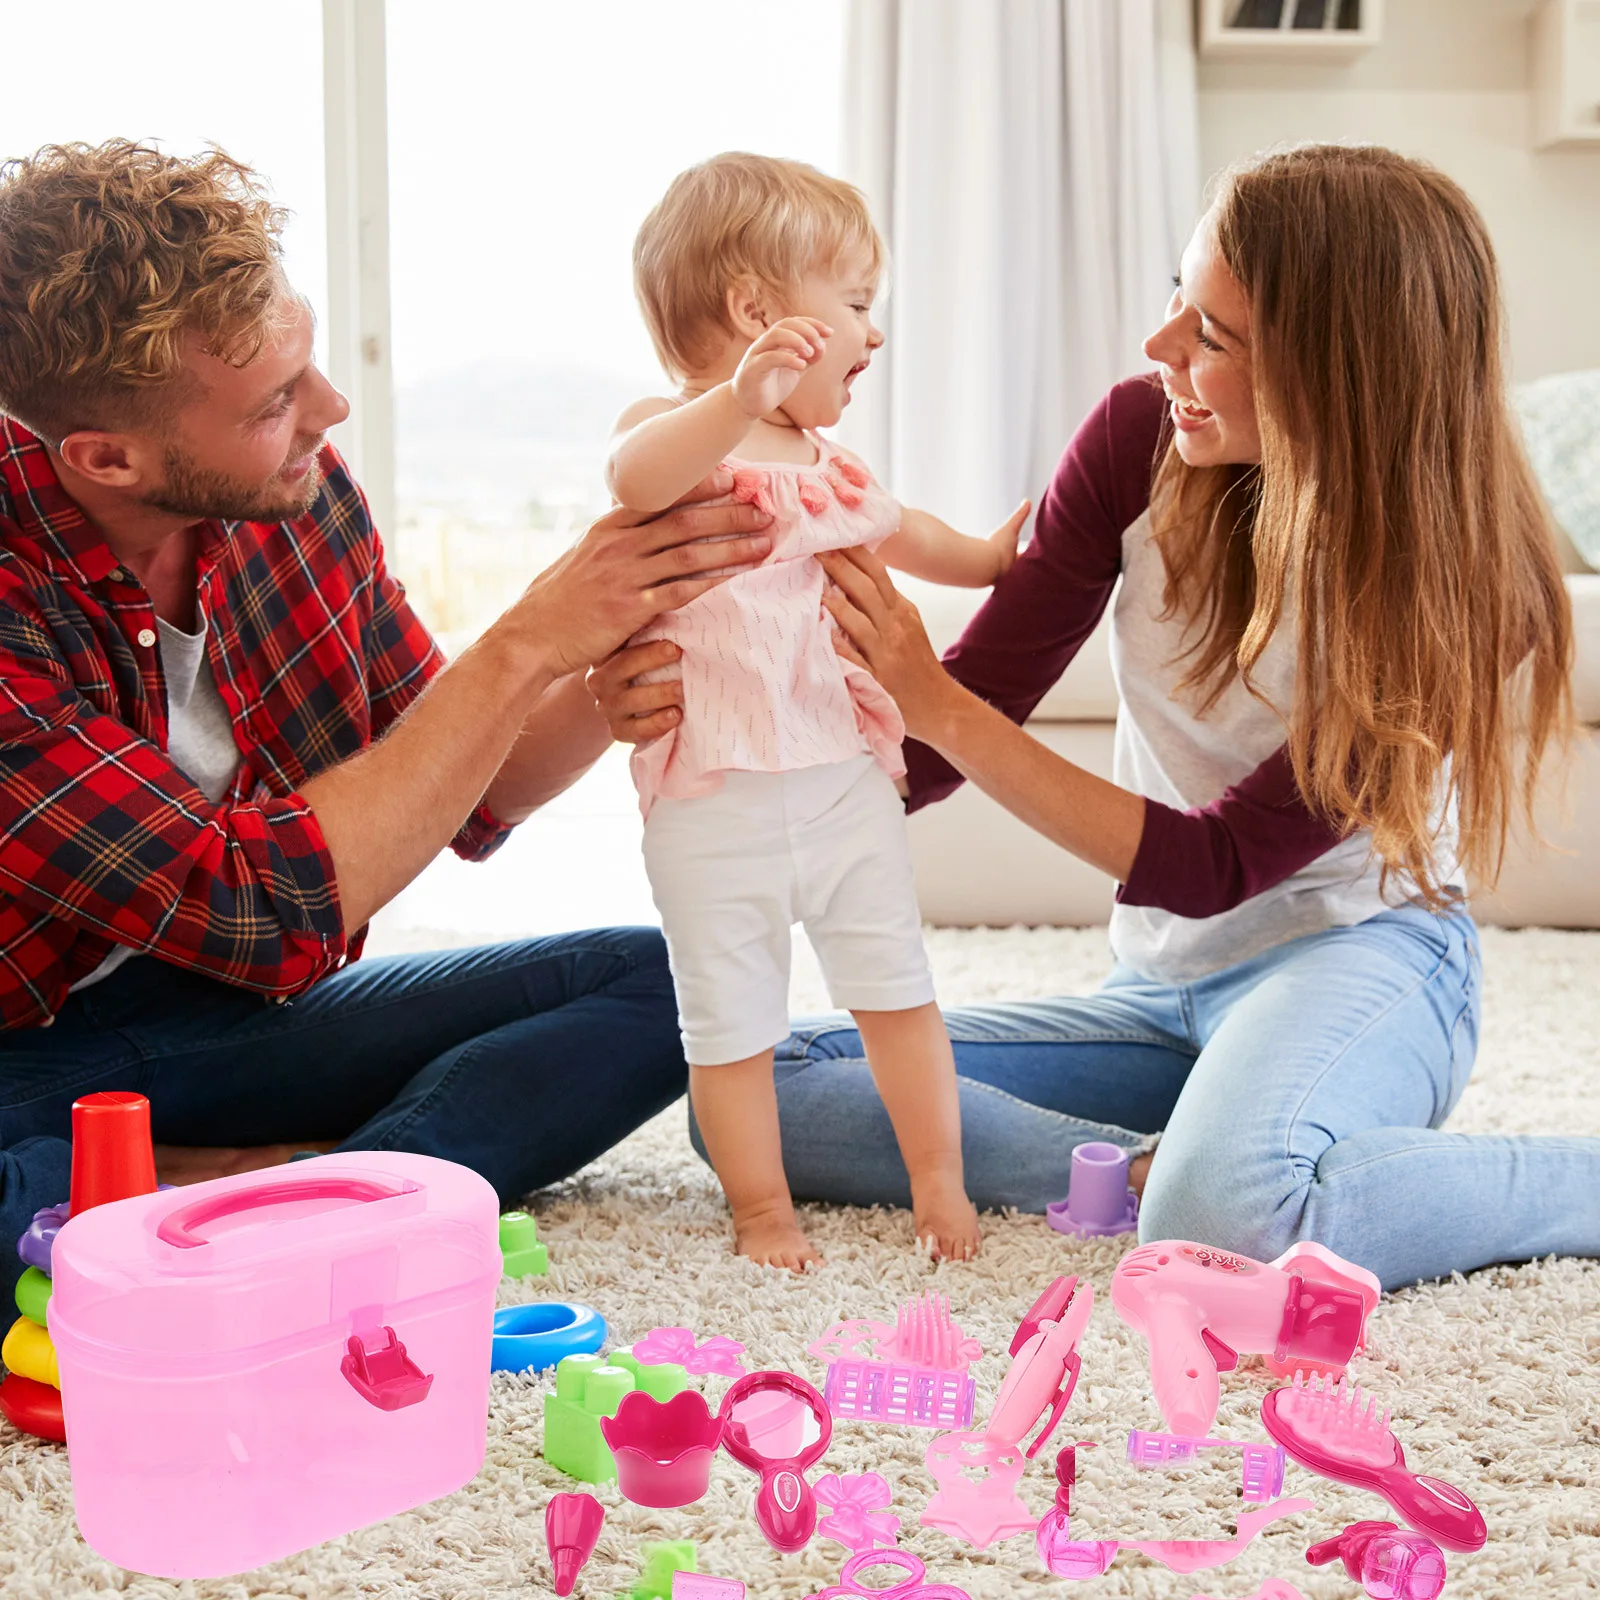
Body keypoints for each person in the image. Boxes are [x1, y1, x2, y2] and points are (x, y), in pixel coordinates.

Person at [592, 143, 1597, 1293]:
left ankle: (1277, 1171)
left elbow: (1213, 862)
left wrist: (926, 695)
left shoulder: (1462, 585)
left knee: (1224, 1216)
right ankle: (1158, 1164)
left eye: (1211, 336)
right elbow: (933, 745)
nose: (1159, 343)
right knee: (755, 1100)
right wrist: (718, 701)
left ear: (1337, 375)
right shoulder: (1136, 438)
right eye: (1178, 295)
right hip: (1160, 991)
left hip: (1359, 957)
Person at [0, 140, 776, 1304]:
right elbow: (259, 911)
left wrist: (601, 660)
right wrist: (523, 639)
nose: (329, 407)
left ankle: (268, 1205)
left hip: (213, 1017)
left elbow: (467, 776)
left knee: (663, 984)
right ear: (107, 456)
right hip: (25, 1049)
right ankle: (246, 1205)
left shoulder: (290, 492)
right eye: (274, 402)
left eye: (304, 360)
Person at [607, 154, 1026, 1267]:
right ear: (757, 316)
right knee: (731, 1021)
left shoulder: (828, 468)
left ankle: (938, 1185)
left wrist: (987, 557)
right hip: (710, 794)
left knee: (896, 991)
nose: (872, 335)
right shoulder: (678, 435)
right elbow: (636, 477)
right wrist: (732, 401)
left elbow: (907, 531)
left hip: (840, 782)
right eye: (853, 306)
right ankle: (761, 1211)